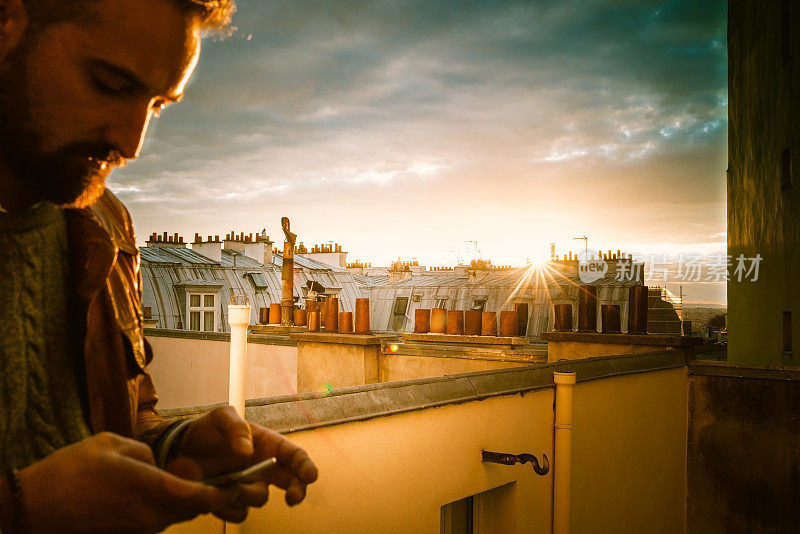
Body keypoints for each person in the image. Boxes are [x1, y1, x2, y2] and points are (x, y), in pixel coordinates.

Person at [0, 0, 318, 532]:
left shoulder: (105, 223)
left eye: (155, 105)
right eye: (108, 83)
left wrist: (178, 448)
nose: (131, 143)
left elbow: (112, 428)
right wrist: (26, 508)